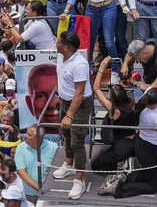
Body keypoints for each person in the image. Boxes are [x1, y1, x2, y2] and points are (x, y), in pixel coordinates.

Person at [111, 87, 157, 198]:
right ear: (156, 104)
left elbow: (151, 87)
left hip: (143, 144)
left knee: (149, 172)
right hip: (147, 148)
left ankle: (124, 178)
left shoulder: (145, 101)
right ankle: (119, 189)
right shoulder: (152, 116)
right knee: (153, 186)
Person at [50, 31, 93, 199]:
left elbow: (80, 93)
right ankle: (68, 164)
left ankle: (79, 180)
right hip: (65, 101)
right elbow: (60, 77)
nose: (56, 44)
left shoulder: (80, 64)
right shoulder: (61, 57)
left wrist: (69, 115)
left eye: (59, 42)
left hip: (80, 105)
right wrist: (57, 96)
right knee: (66, 135)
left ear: (65, 46)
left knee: (77, 142)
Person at [90, 56, 138, 189]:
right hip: (134, 140)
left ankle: (120, 165)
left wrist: (101, 68)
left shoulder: (114, 110)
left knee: (95, 166)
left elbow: (96, 89)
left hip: (122, 147)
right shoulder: (133, 104)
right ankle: (125, 159)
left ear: (113, 99)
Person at [14, 124, 57, 204]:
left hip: (49, 193)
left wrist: (46, 189)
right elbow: (21, 173)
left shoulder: (54, 147)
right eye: (26, 132)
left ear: (38, 139)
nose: (25, 136)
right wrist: (39, 188)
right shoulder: (20, 148)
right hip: (29, 193)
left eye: (29, 135)